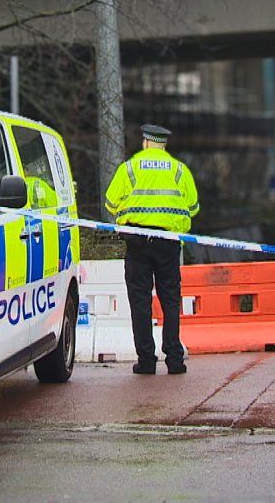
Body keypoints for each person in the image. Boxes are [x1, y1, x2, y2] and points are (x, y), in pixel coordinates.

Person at [105, 124, 199, 375]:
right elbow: (193, 207)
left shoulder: (130, 168)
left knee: (140, 301)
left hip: (137, 242)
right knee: (170, 300)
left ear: (145, 142)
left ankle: (146, 360)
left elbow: (110, 203)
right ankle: (175, 360)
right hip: (168, 243)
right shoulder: (179, 170)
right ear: (163, 144)